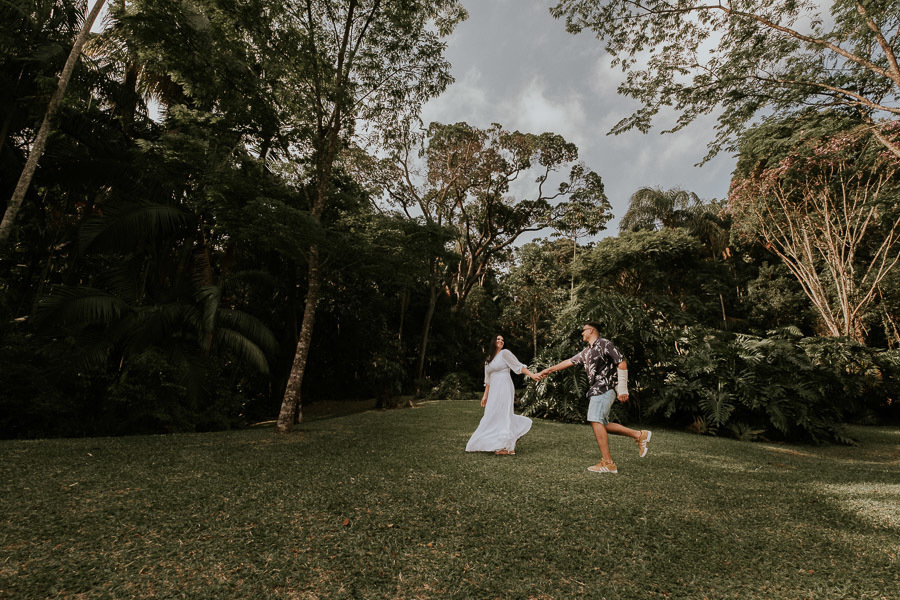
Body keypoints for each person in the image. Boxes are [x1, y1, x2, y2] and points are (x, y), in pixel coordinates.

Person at [538, 322, 651, 473]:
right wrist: (549, 370)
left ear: (591, 330)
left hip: (604, 389)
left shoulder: (604, 344)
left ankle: (608, 463)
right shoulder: (587, 351)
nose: (582, 333)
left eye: (583, 330)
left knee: (595, 420)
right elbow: (569, 361)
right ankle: (639, 435)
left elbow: (621, 362)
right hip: (597, 390)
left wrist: (623, 389)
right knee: (602, 424)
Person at [466, 334, 540, 455]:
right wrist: (485, 396)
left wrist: (532, 375)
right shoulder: (488, 359)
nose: (501, 341)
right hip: (494, 388)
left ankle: (507, 447)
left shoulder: (505, 353)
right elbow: (487, 379)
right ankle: (503, 443)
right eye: (498, 339)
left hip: (505, 386)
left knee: (504, 413)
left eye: (502, 340)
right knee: (491, 414)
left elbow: (518, 366)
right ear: (493, 341)